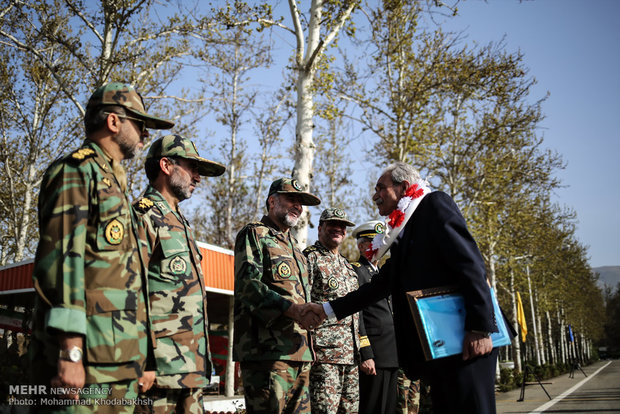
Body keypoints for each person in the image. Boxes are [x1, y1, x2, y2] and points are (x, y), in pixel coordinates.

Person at [308, 162, 498, 414]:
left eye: (380, 188)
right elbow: (379, 286)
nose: (375, 195)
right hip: (441, 346)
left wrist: (480, 327)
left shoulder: (434, 205)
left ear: (404, 187)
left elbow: (471, 264)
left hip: (468, 339)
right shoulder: (405, 229)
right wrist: (326, 309)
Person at [30, 82, 174, 412]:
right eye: (139, 124)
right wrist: (71, 352)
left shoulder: (111, 180)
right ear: (113, 122)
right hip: (86, 365)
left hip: (116, 360)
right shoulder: (77, 170)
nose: (144, 135)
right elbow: (62, 264)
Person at [133, 134, 226, 413]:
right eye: (192, 167)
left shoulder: (180, 223)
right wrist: (143, 361)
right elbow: (130, 293)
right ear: (165, 165)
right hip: (158, 375)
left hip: (191, 371)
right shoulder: (142, 216)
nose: (198, 178)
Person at [233, 178, 322, 414]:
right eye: (291, 198)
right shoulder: (255, 234)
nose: (298, 206)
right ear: (272, 201)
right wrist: (291, 310)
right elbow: (248, 286)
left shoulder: (296, 249)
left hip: (300, 353)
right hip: (267, 354)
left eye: (301, 202)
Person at [303, 208, 359, 414]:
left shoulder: (347, 266)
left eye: (342, 226)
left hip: (351, 355)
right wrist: (308, 347)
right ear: (320, 228)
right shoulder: (310, 258)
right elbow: (303, 305)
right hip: (324, 355)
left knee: (350, 410)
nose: (338, 229)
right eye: (332, 224)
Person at [350, 220, 401, 414]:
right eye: (373, 242)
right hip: (375, 354)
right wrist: (367, 353)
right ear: (361, 246)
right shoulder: (355, 271)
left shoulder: (383, 273)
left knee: (388, 407)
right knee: (373, 406)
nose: (379, 246)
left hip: (392, 351)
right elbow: (357, 314)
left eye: (381, 242)